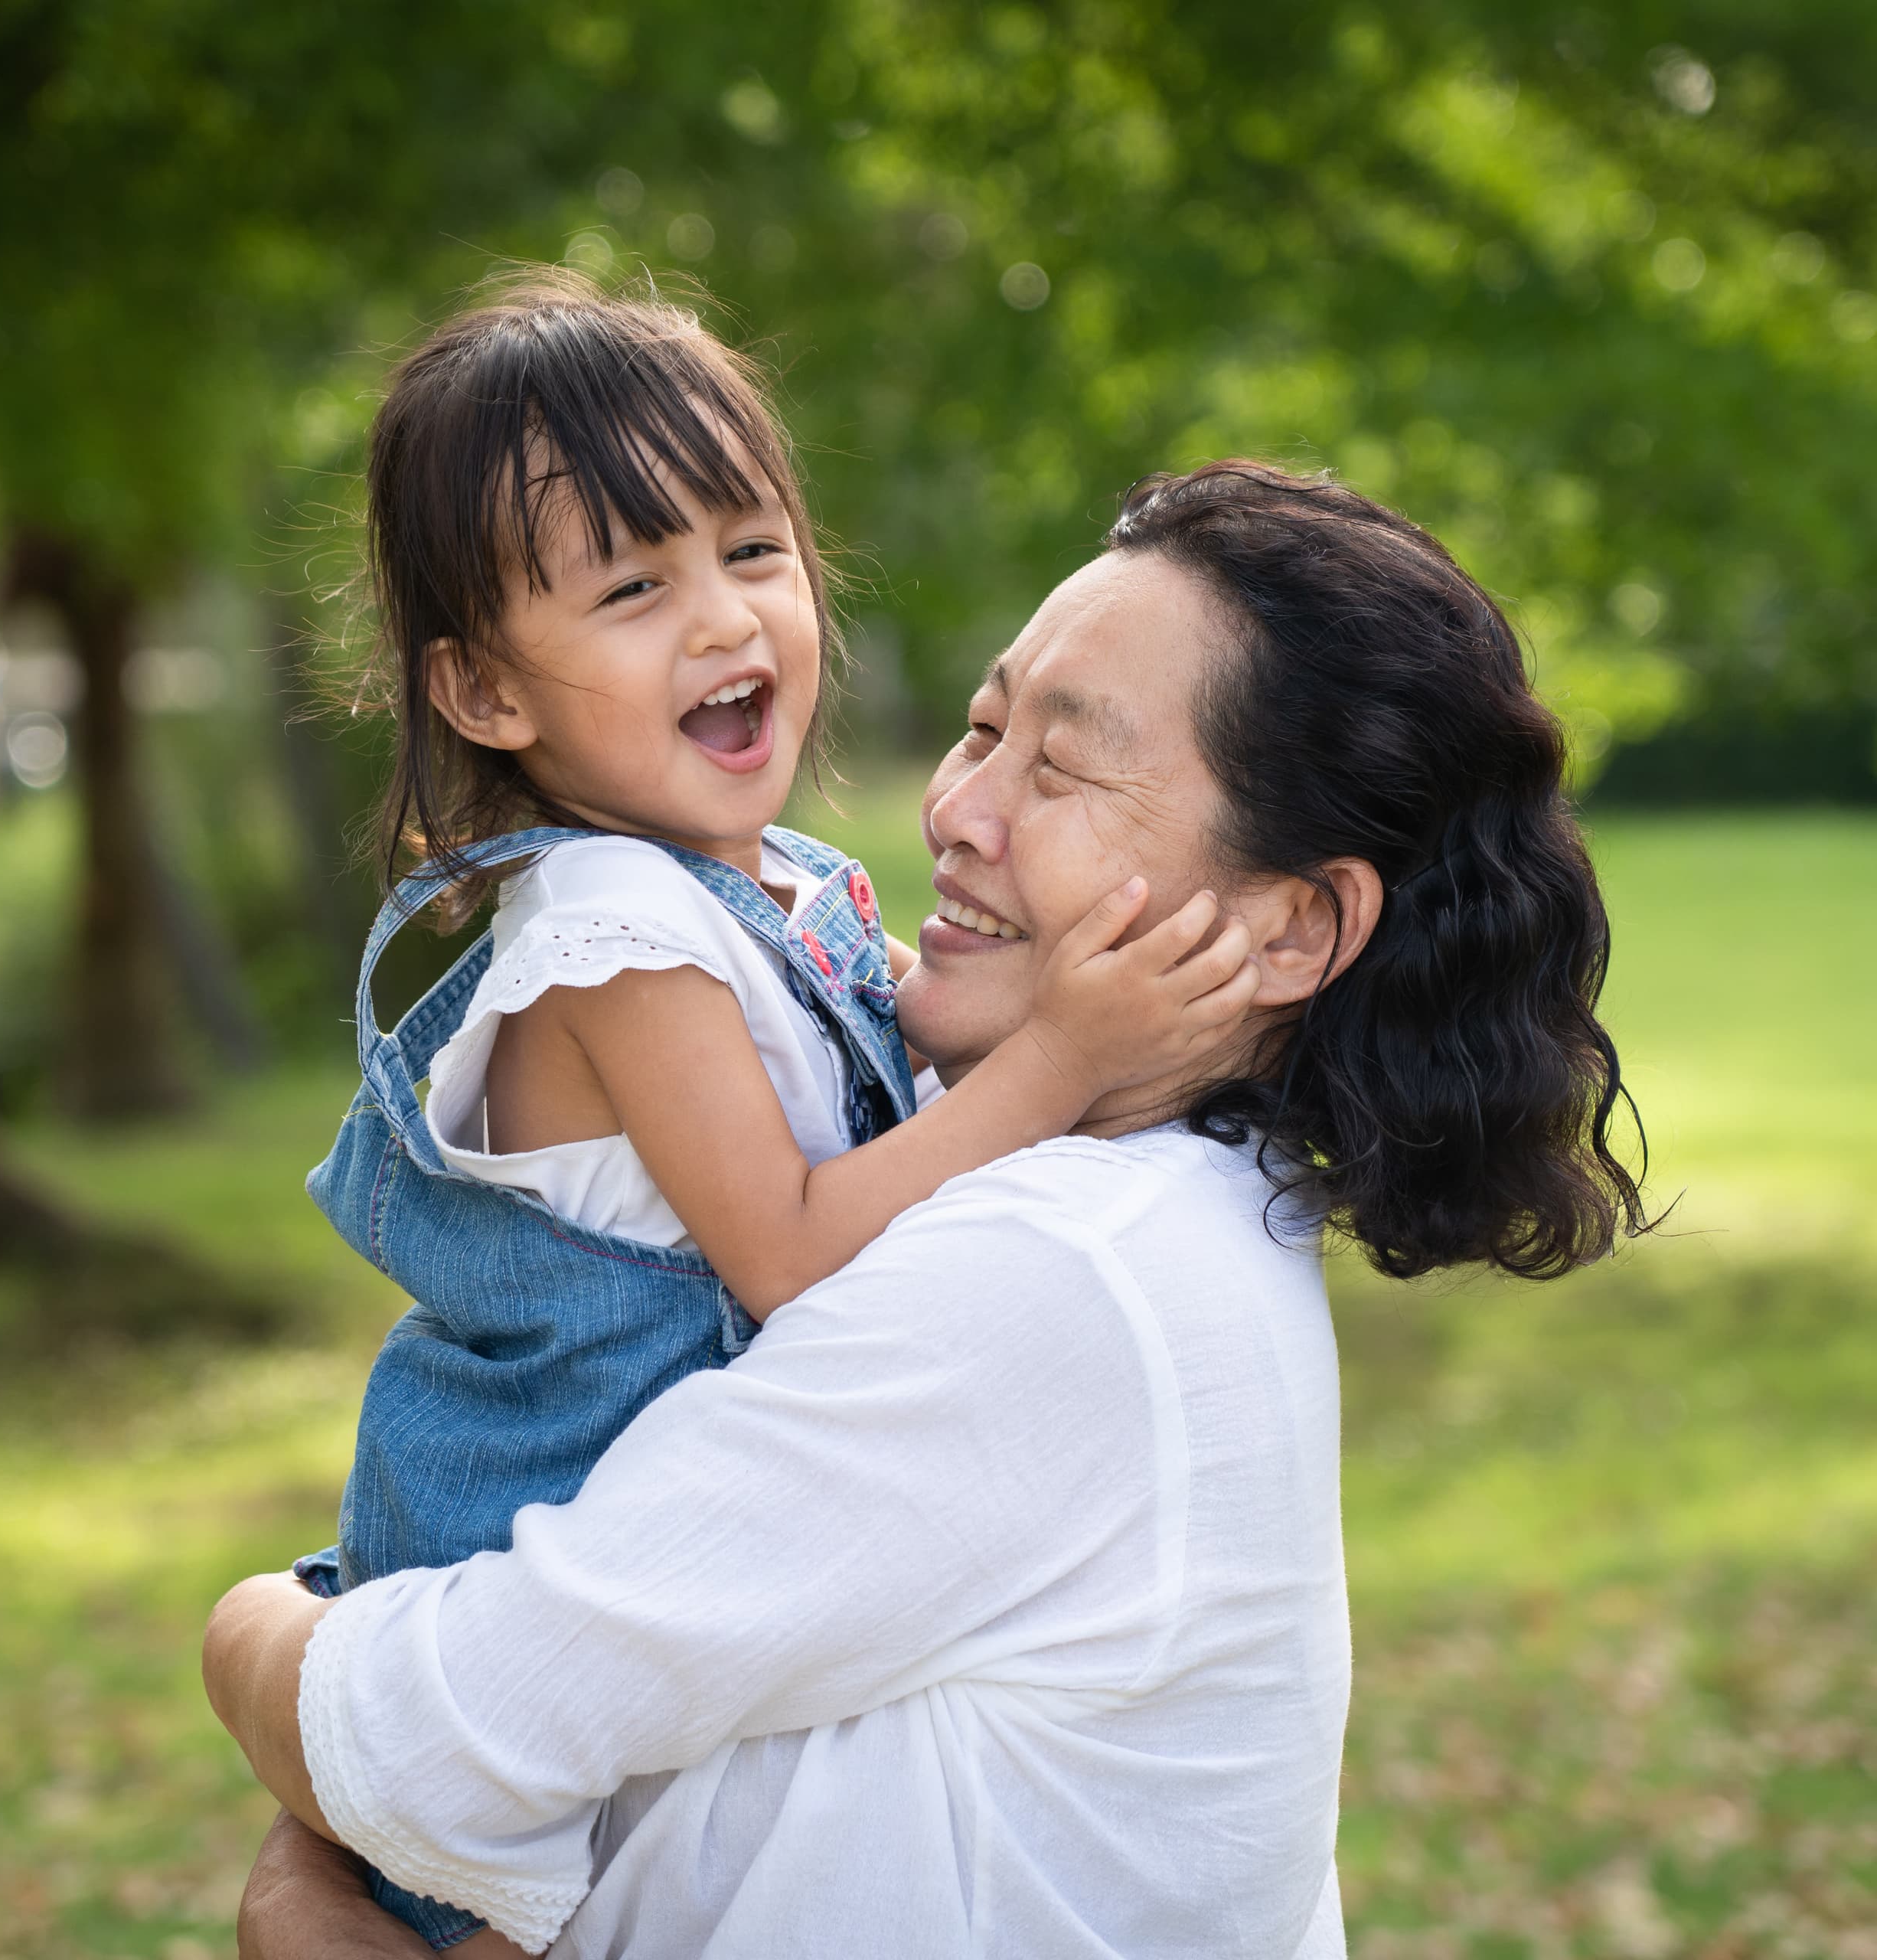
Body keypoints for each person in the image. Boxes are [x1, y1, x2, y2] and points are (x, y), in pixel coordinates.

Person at [210, 462, 1647, 1958]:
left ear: (1292, 927)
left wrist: (248, 1635)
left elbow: (432, 1742)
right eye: (980, 726)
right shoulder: (1183, 1208)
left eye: (1062, 767)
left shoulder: (1056, 1272)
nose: (954, 808)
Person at [287, 274, 1262, 1949]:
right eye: (632, 587)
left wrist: (1082, 995)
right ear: (487, 695)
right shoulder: (613, 934)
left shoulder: (774, 887)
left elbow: (908, 1065)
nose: (727, 620)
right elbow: (794, 1252)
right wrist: (1069, 1053)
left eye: (751, 549)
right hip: (527, 1530)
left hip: (654, 1552)